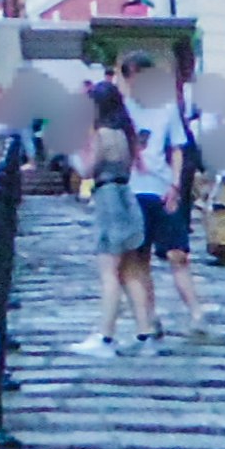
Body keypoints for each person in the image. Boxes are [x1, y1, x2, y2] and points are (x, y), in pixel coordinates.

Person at [130, 61, 220, 341]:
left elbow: (178, 148)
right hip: (133, 189)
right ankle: (150, 315)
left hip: (162, 187)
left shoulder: (167, 109)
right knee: (139, 257)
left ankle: (196, 313)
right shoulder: (124, 110)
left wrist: (176, 183)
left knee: (177, 254)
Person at [78, 75, 160, 354]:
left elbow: (86, 170)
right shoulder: (125, 133)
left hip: (109, 200)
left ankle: (106, 336)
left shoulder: (102, 135)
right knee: (130, 270)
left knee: (109, 271)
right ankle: (144, 332)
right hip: (126, 198)